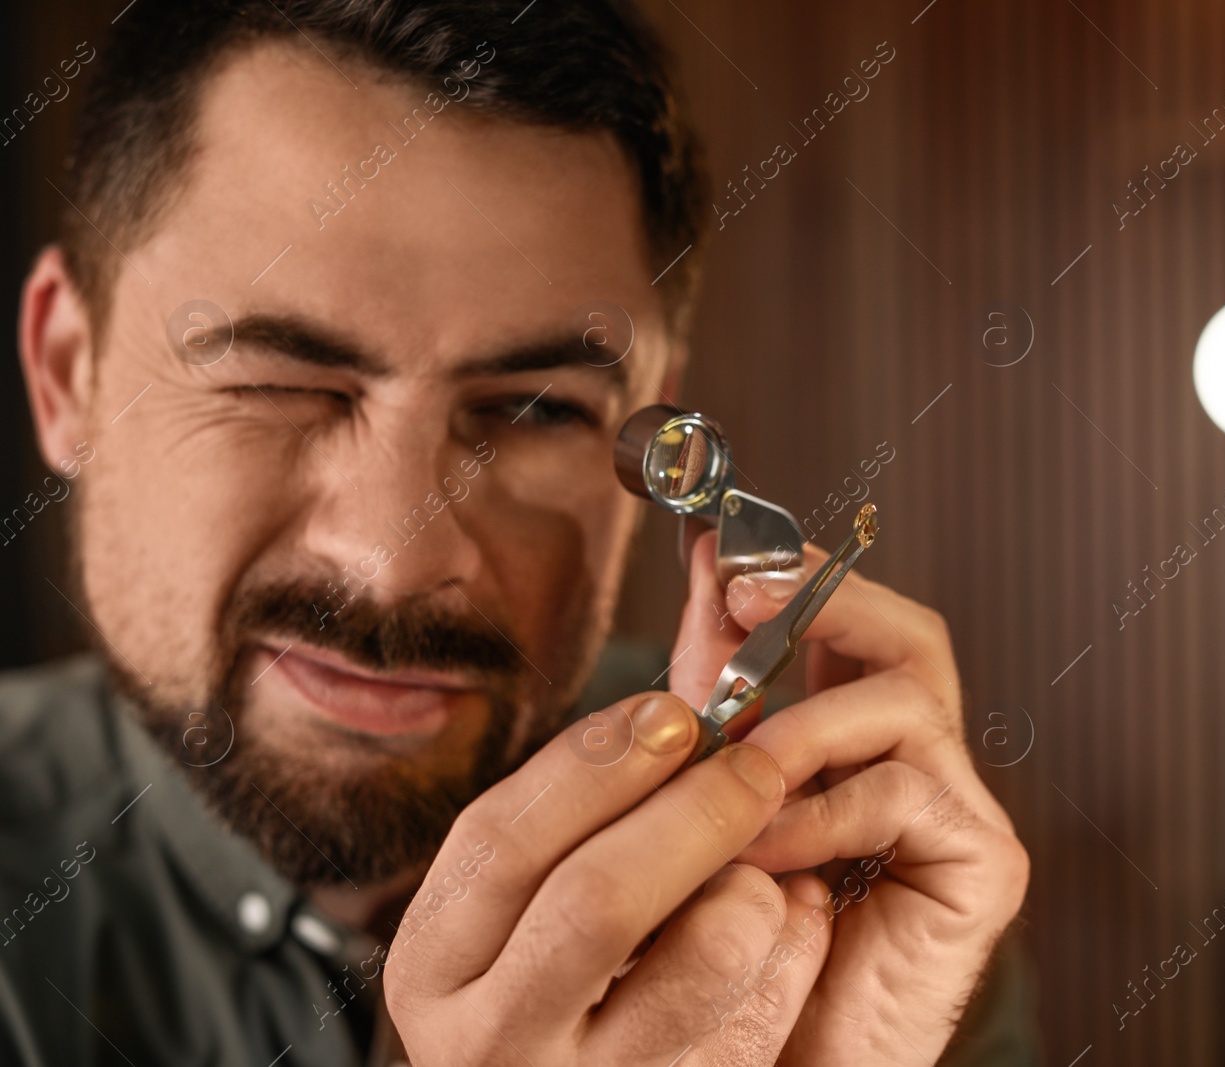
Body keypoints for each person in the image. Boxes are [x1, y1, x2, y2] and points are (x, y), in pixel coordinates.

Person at [0, 1, 1034, 1063]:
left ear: (657, 442)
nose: (395, 564)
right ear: (65, 372)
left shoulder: (830, 885)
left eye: (538, 409)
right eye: (278, 382)